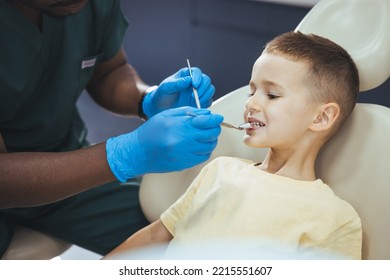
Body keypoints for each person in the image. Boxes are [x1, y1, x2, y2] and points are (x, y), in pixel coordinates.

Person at [105, 31, 363, 260]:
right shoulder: (219, 171)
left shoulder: (334, 218)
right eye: (252, 91)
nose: (250, 104)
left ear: (321, 117)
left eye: (272, 95)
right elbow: (156, 236)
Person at [0, 0, 223, 258]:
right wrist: (123, 155)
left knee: (186, 235)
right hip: (13, 181)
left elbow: (110, 71)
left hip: (67, 162)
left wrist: (148, 99)